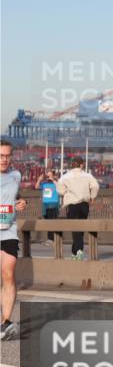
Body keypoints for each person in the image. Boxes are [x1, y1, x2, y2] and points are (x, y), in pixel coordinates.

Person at [1, 140, 28, 341]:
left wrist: (22, 202)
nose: (4, 159)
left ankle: (6, 322)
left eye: (8, 155)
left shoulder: (16, 175)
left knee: (8, 274)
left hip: (8, 231)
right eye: (1, 155)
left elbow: (16, 196)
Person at [57, 158, 99, 260]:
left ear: (72, 165)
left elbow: (60, 190)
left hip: (72, 205)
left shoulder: (65, 176)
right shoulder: (88, 176)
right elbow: (96, 186)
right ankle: (75, 252)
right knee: (81, 228)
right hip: (84, 205)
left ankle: (78, 251)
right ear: (81, 165)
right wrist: (92, 197)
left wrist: (65, 191)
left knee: (75, 228)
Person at [35, 169, 61, 244]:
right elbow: (36, 187)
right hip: (45, 205)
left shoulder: (55, 183)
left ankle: (51, 239)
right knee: (47, 220)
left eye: (49, 175)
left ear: (53, 176)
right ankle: (51, 238)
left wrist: (53, 180)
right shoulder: (44, 184)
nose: (48, 177)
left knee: (51, 221)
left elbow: (60, 187)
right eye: (47, 175)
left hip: (53, 204)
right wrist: (39, 179)